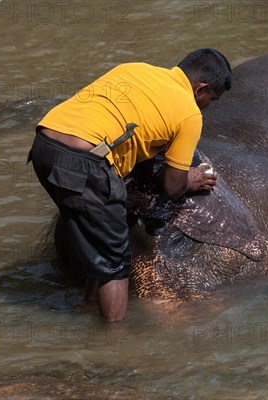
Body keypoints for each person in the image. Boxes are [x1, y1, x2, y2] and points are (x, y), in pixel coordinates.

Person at [28, 48, 232, 321]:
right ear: (200, 89)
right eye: (212, 99)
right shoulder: (189, 114)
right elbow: (173, 187)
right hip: (86, 160)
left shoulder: (134, 69)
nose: (209, 105)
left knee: (99, 237)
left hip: (44, 145)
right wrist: (191, 179)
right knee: (116, 261)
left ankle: (87, 306)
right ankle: (113, 346)